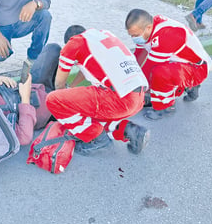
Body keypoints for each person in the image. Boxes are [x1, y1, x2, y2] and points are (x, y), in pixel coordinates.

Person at [46, 25, 150, 156]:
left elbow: (59, 84)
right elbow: (85, 69)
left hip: (119, 99)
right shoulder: (102, 35)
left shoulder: (74, 43)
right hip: (138, 97)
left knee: (53, 99)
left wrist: (64, 102)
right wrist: (72, 88)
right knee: (92, 107)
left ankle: (98, 139)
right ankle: (130, 130)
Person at [125, 9, 212, 120]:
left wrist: (134, 90)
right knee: (156, 78)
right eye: (131, 35)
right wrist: (129, 78)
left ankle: (165, 108)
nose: (133, 38)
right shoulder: (148, 28)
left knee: (159, 73)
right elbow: (139, 57)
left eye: (135, 35)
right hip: (180, 64)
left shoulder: (166, 35)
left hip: (197, 68)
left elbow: (149, 68)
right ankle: (188, 86)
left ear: (147, 28)